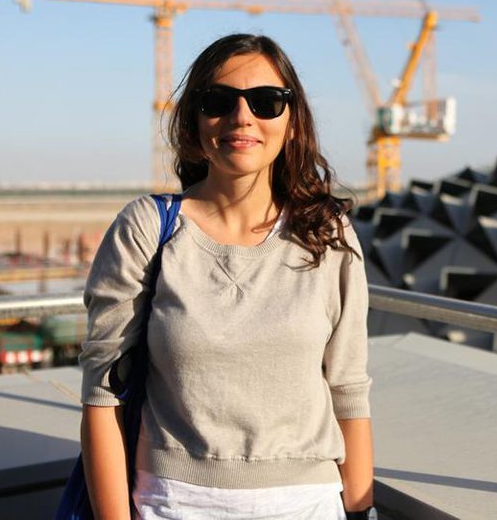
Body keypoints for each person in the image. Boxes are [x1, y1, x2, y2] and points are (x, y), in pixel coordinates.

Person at [79, 33, 375, 520]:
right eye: (218, 101)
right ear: (194, 121)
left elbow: (348, 390)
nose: (242, 117)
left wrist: (361, 513)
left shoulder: (327, 235)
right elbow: (102, 394)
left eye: (266, 101)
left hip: (309, 503)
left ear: (293, 122)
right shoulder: (147, 228)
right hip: (174, 503)